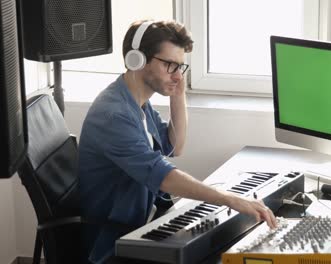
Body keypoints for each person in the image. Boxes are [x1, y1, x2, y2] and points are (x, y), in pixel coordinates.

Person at [78, 20, 276, 264]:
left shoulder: (137, 101)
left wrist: (178, 91)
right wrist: (230, 199)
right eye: (170, 65)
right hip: (113, 242)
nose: (176, 75)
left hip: (143, 222)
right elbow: (163, 176)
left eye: (180, 67)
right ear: (137, 60)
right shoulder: (113, 115)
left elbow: (175, 146)